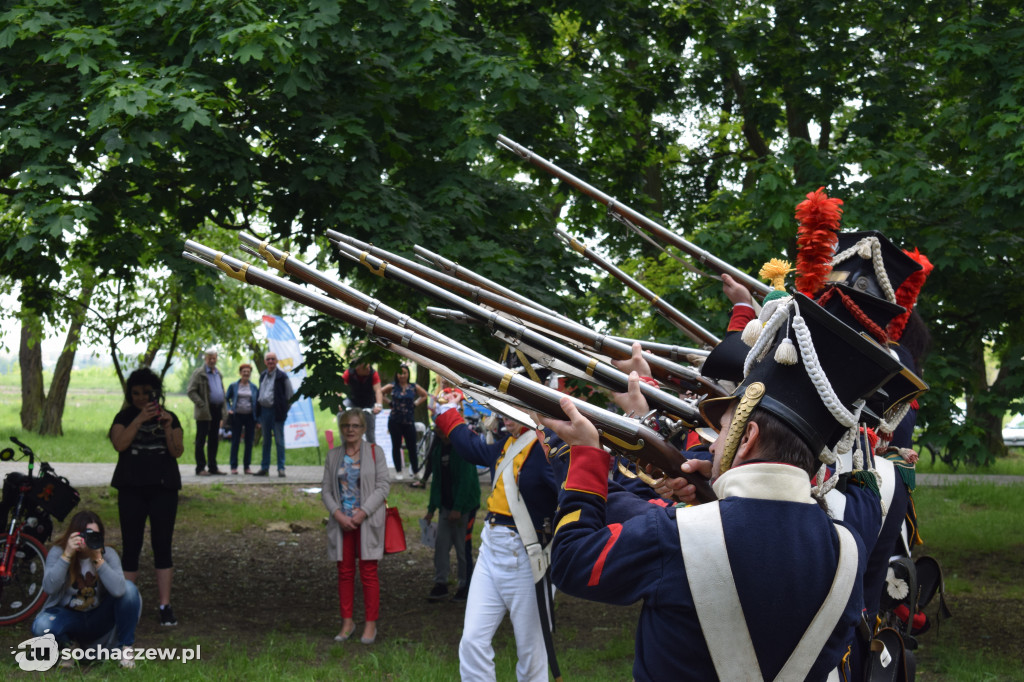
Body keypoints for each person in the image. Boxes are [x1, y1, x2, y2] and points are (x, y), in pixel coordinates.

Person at [540, 292, 903, 681]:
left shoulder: (676, 536)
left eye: (724, 429)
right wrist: (709, 500)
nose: (712, 444)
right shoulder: (849, 550)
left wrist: (584, 455)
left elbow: (574, 562)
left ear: (746, 438)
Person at [434, 395, 558, 682]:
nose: (505, 415)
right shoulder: (505, 443)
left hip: (529, 557)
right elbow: (469, 445)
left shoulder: (548, 450)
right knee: (472, 641)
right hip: (491, 550)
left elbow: (576, 495)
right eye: (502, 409)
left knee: (532, 653)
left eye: (513, 408)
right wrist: (447, 412)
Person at [108, 366, 183, 627]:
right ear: (130, 394)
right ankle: (127, 604)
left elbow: (177, 451)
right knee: (131, 546)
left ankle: (165, 605)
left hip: (164, 489)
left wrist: (168, 427)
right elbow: (120, 444)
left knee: (163, 546)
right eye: (136, 392)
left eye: (146, 393)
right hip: (131, 489)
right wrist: (139, 419)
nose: (141, 397)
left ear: (156, 394)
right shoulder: (124, 416)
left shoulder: (170, 417)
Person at [33, 510, 142, 668]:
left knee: (130, 589)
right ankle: (68, 647)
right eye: (85, 535)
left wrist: (98, 559)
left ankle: (125, 649)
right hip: (68, 616)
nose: (89, 539)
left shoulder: (108, 554)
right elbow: (49, 588)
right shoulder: (58, 552)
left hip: (98, 616)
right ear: (73, 535)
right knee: (41, 625)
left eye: (95, 535)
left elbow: (120, 590)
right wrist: (67, 555)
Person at [321, 409, 390, 645]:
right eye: (346, 426)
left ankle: (371, 624)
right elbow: (327, 490)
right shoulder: (333, 456)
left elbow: (383, 487)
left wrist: (362, 513)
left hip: (367, 521)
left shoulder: (375, 452)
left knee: (369, 573)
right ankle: (347, 622)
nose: (350, 430)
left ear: (363, 429)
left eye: (355, 426)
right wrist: (338, 515)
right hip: (342, 523)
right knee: (344, 573)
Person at [423, 425, 480, 602]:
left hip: (465, 506)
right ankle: (441, 583)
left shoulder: (462, 450)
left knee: (462, 547)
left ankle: (466, 585)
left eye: (443, 429)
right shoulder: (438, 450)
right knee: (441, 545)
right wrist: (432, 509)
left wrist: (458, 508)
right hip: (446, 506)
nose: (441, 433)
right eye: (438, 431)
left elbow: (466, 481)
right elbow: (437, 482)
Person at [381, 364, 429, 476]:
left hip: (409, 421)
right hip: (395, 421)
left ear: (408, 374)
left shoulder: (413, 387)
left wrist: (415, 404)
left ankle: (416, 471)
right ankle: (398, 471)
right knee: (396, 446)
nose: (402, 375)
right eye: (400, 372)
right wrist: (389, 402)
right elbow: (379, 392)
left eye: (405, 373)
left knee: (412, 447)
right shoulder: (392, 386)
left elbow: (424, 395)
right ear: (396, 374)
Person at [187, 348, 226, 475]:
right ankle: (200, 468)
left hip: (217, 409)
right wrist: (201, 404)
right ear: (205, 359)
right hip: (204, 412)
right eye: (210, 358)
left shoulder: (218, 373)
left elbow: (221, 390)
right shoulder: (199, 373)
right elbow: (191, 391)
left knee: (214, 439)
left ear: (216, 358)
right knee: (201, 439)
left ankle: (213, 467)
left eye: (214, 358)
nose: (212, 360)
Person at [255, 351, 293, 478]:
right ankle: (264, 468)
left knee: (279, 441)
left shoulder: (282, 377)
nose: (270, 361)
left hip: (277, 412)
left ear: (276, 361)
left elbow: (290, 396)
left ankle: (281, 468)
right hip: (265, 412)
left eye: (273, 359)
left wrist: (283, 410)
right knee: (266, 441)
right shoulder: (262, 375)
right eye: (268, 359)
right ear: (265, 362)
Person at [340, 360, 384, 444]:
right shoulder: (348, 373)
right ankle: (345, 445)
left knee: (370, 429)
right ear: (358, 368)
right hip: (352, 400)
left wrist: (378, 405)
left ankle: (372, 451)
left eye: (369, 367)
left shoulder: (373, 373)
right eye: (365, 368)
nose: (368, 369)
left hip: (369, 402)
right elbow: (340, 389)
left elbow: (378, 390)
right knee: (341, 414)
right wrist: (337, 403)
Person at [226, 363, 257, 474]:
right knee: (235, 441)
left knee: (249, 442)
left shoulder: (253, 387)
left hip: (250, 417)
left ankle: (246, 467)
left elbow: (256, 403)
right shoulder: (234, 386)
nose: (246, 373)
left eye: (248, 372)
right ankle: (233, 467)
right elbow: (226, 399)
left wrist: (257, 419)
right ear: (240, 373)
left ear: (250, 374)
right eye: (244, 371)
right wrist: (228, 408)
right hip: (237, 416)